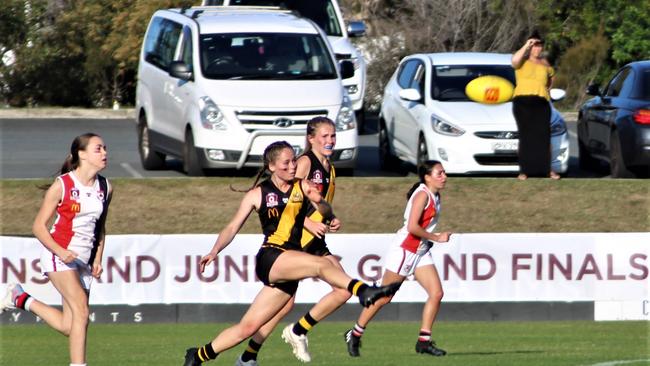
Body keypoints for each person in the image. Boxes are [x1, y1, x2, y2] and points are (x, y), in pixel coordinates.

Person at [184, 141, 400, 366]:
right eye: (286, 162)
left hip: (290, 263)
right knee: (321, 264)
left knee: (247, 328)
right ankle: (364, 291)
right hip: (271, 257)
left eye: (294, 160)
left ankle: (198, 355)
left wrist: (323, 206)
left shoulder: (303, 186)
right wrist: (214, 251)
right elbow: (231, 227)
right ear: (272, 166)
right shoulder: (257, 194)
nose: (292, 166)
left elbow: (324, 209)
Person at [235, 117, 349, 365]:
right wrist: (308, 223)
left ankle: (250, 355)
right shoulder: (306, 162)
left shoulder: (329, 167)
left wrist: (330, 219)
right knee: (343, 288)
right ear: (311, 138)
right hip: (300, 241)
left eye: (333, 136)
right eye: (325, 136)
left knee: (287, 305)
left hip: (313, 241)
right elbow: (290, 200)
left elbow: (314, 203)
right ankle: (297, 331)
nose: (330, 140)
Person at [0, 133, 112, 366]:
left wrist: (98, 258)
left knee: (70, 326)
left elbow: (100, 228)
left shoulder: (106, 187)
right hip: (57, 256)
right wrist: (60, 252)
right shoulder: (63, 185)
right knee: (82, 311)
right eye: (98, 149)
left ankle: (20, 298)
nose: (104, 153)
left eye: (105, 149)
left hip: (83, 262)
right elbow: (38, 227)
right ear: (81, 154)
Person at [344, 160, 452, 358]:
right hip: (406, 250)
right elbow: (412, 227)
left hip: (420, 250)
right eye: (439, 173)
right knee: (384, 296)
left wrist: (429, 241)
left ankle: (424, 342)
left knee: (436, 293)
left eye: (444, 173)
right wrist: (437, 237)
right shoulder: (422, 195)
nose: (444, 177)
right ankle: (355, 333)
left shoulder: (435, 195)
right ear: (427, 177)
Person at [511, 30, 561, 180]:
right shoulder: (521, 60)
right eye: (534, 45)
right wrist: (527, 44)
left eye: (539, 45)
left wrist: (548, 88)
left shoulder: (545, 63)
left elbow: (551, 77)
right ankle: (524, 170)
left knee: (543, 136)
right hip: (522, 101)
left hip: (541, 102)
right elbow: (514, 61)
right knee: (526, 137)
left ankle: (547, 169)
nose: (537, 48)